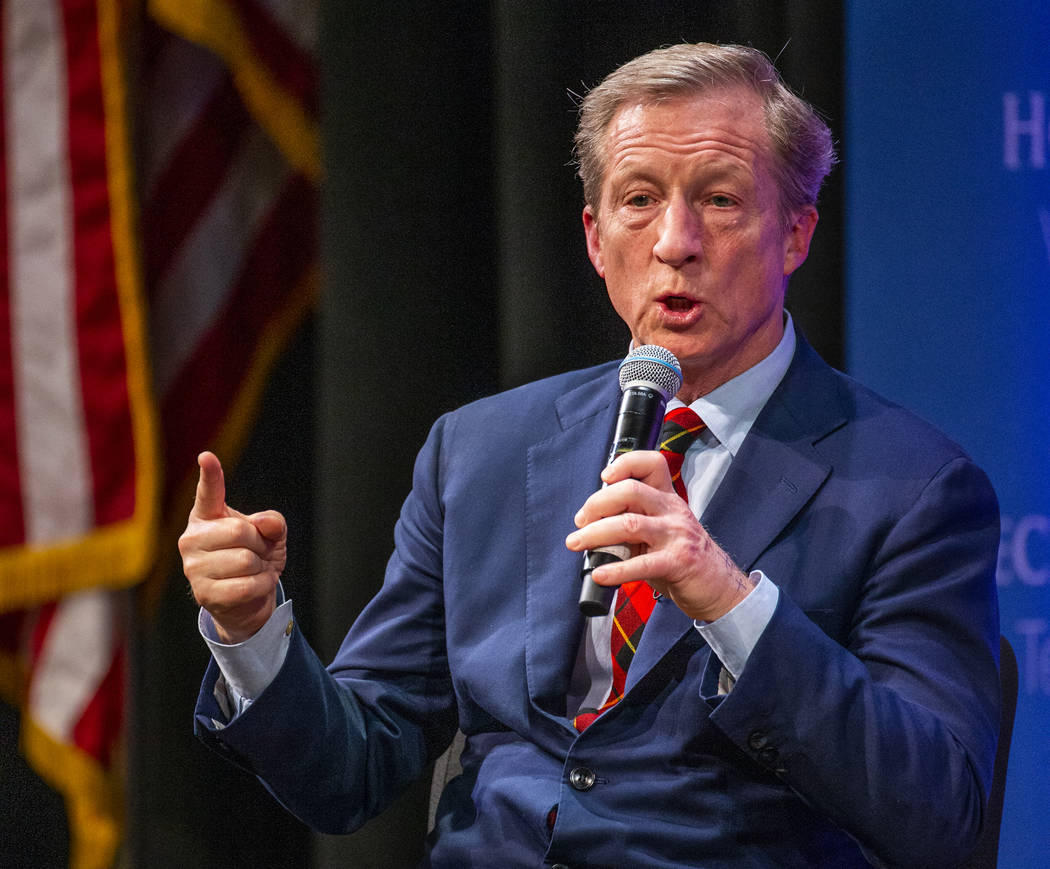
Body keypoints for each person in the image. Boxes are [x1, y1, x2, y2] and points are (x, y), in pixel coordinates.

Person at [182, 43, 1001, 867]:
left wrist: (726, 598)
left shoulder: (912, 488)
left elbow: (937, 813)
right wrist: (251, 630)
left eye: (719, 200)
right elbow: (350, 770)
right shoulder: (480, 451)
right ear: (595, 238)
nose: (675, 242)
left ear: (795, 233)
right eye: (639, 200)